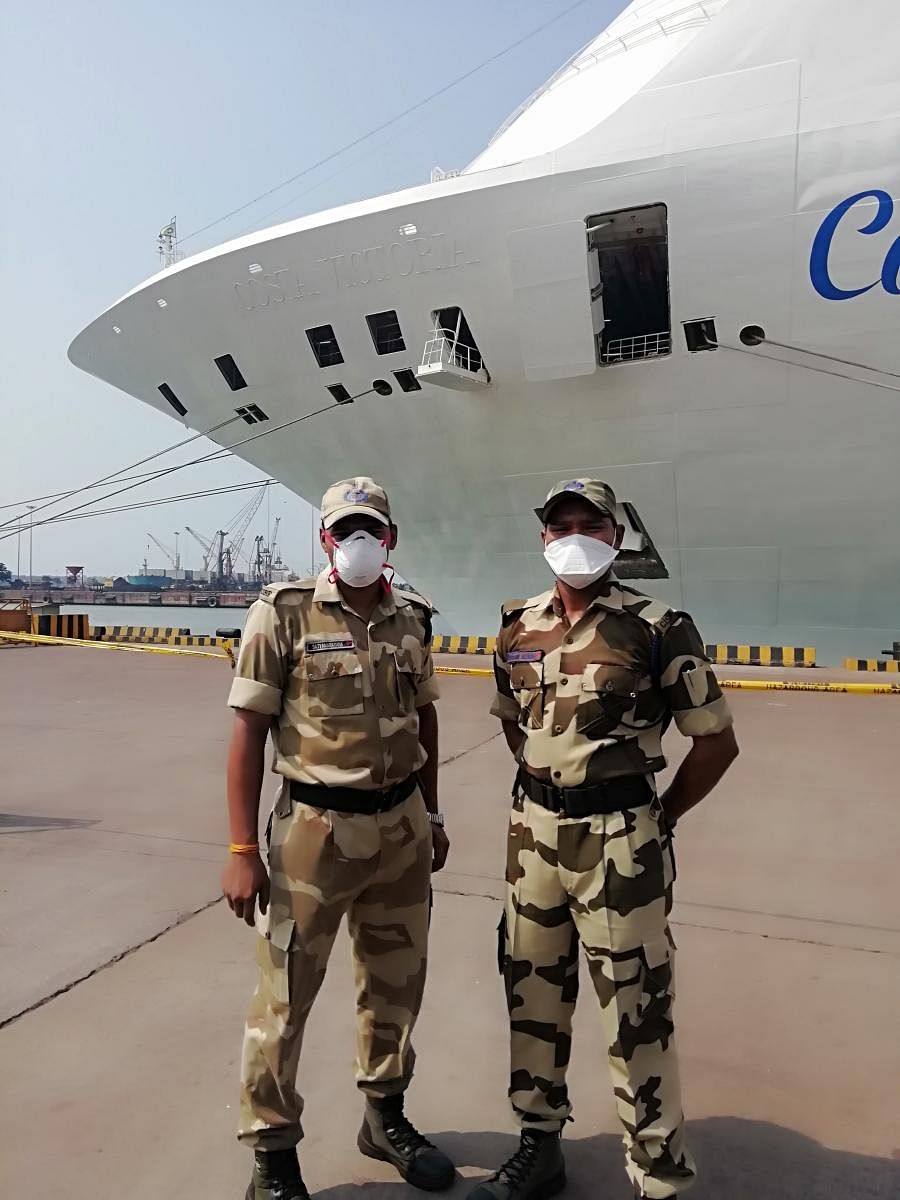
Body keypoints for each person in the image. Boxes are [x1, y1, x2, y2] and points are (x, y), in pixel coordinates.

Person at [472, 479, 739, 1200]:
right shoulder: (515, 626)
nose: (574, 534)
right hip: (534, 836)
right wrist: (550, 784)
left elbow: (715, 742)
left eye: (590, 523)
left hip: (623, 840)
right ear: (544, 538)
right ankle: (539, 1144)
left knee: (636, 1008)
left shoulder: (658, 627)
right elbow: (513, 721)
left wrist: (661, 818)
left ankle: (656, 1176)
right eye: (561, 524)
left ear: (616, 536)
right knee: (531, 989)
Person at [222, 476, 454, 1199]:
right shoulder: (282, 615)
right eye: (346, 528)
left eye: (372, 529)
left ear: (390, 539)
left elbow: (427, 722)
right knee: (285, 999)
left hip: (402, 830)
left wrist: (434, 814)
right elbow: (248, 735)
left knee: (396, 986)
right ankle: (272, 1154)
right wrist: (238, 852)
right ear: (326, 537)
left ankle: (384, 1116)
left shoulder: (411, 618)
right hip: (313, 835)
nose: (360, 541)